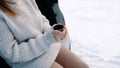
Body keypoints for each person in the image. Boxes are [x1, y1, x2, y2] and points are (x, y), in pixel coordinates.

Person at [0, 0, 89, 68]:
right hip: (29, 61)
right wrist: (47, 39)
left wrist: (52, 31)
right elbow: (12, 54)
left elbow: (41, 19)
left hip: (46, 46)